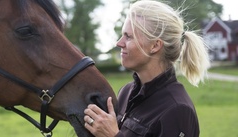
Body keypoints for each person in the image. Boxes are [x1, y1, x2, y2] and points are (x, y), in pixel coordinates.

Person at [84, 0, 210, 137]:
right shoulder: (126, 92)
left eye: (128, 37)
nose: (119, 43)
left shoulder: (178, 110)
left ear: (155, 45)